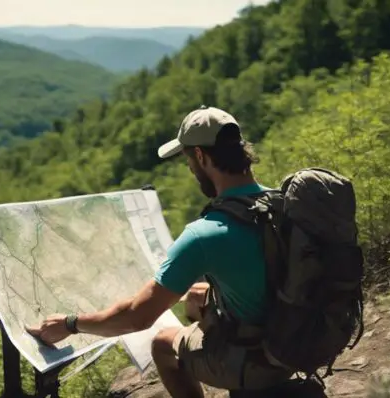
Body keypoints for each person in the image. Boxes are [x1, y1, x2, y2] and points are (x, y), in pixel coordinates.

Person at [26, 106, 292, 397]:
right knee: (193, 297)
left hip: (262, 359)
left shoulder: (205, 233)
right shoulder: (280, 203)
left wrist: (70, 324)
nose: (190, 168)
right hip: (297, 335)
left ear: (201, 156)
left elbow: (137, 317)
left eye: (188, 160)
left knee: (163, 344)